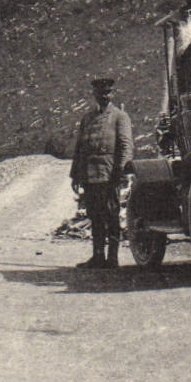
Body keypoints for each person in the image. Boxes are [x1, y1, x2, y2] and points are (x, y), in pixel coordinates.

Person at [69, 76, 133, 269]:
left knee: (111, 214)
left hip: (109, 173)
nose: (104, 96)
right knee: (94, 215)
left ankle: (112, 258)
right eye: (100, 93)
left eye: (107, 93)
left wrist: (121, 170)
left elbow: (126, 145)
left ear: (112, 94)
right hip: (90, 174)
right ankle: (98, 256)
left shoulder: (120, 116)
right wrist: (75, 174)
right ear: (94, 94)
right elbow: (80, 148)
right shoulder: (87, 118)